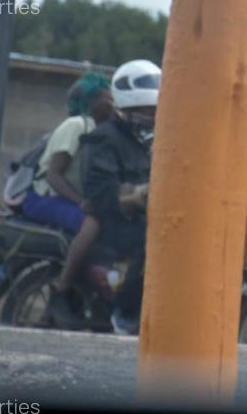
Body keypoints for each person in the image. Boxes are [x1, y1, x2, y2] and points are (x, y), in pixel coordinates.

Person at [21, 71, 114, 328]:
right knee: (91, 224)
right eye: (108, 98)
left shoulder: (101, 130)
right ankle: (60, 292)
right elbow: (53, 176)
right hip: (42, 198)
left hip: (64, 199)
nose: (113, 103)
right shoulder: (76, 125)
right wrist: (81, 202)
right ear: (92, 102)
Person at [82, 59, 159, 335]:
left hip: (138, 215)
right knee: (153, 243)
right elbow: (100, 192)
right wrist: (137, 195)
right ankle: (125, 313)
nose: (152, 117)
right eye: (146, 111)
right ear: (128, 108)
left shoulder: (144, 142)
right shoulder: (105, 138)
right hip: (112, 220)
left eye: (155, 111)